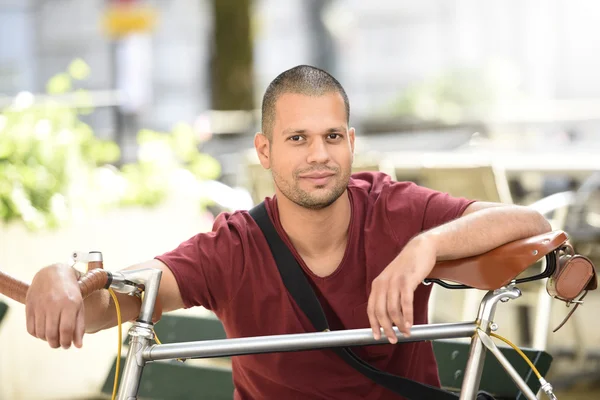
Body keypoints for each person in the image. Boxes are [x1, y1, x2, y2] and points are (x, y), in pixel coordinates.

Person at [25, 65, 551, 399]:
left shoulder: (394, 208)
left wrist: (427, 245)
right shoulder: (232, 245)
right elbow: (114, 302)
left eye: (330, 137)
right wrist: (63, 277)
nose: (318, 155)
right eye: (297, 138)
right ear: (265, 150)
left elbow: (531, 222)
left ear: (350, 142)